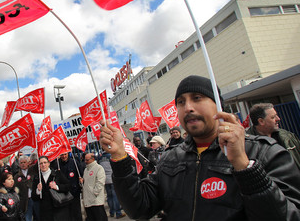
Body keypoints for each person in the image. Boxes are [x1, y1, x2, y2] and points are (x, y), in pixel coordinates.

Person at [99, 75, 300, 220]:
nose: (188, 107)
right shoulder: (170, 159)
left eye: (197, 98)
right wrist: (119, 157)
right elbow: (139, 209)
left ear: (218, 105)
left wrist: (244, 167)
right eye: (181, 102)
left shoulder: (264, 152)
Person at [247, 102, 300, 169]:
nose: (278, 119)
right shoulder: (247, 145)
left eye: (276, 115)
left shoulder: (288, 136)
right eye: (273, 117)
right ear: (261, 121)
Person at [32, 156, 71, 221]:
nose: (43, 165)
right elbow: (34, 197)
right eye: (41, 163)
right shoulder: (37, 178)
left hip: (58, 209)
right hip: (45, 211)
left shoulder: (57, 174)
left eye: (45, 162)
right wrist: (38, 191)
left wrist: (57, 187)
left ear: (48, 163)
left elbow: (68, 186)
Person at [54, 152, 84, 221]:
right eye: (62, 154)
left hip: (74, 193)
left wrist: (81, 180)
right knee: (66, 214)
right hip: (63, 194)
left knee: (76, 213)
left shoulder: (74, 163)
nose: (64, 156)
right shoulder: (57, 165)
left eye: (65, 154)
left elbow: (80, 174)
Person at [79, 153, 107, 221]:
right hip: (88, 201)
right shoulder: (86, 170)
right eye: (84, 160)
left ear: (93, 159)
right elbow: (86, 184)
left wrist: (95, 192)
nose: (85, 161)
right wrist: (82, 182)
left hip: (96, 201)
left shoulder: (99, 168)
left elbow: (100, 182)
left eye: (87, 160)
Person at [99, 152, 126, 219]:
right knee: (115, 196)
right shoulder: (111, 156)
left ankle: (111, 211)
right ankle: (118, 213)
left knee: (109, 196)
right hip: (112, 178)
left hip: (105, 179)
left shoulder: (100, 158)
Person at [13, 155, 37, 221]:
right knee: (27, 218)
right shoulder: (17, 176)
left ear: (28, 162)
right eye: (21, 163)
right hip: (25, 201)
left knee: (38, 217)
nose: (23, 164)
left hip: (35, 199)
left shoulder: (33, 170)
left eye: (24, 162)